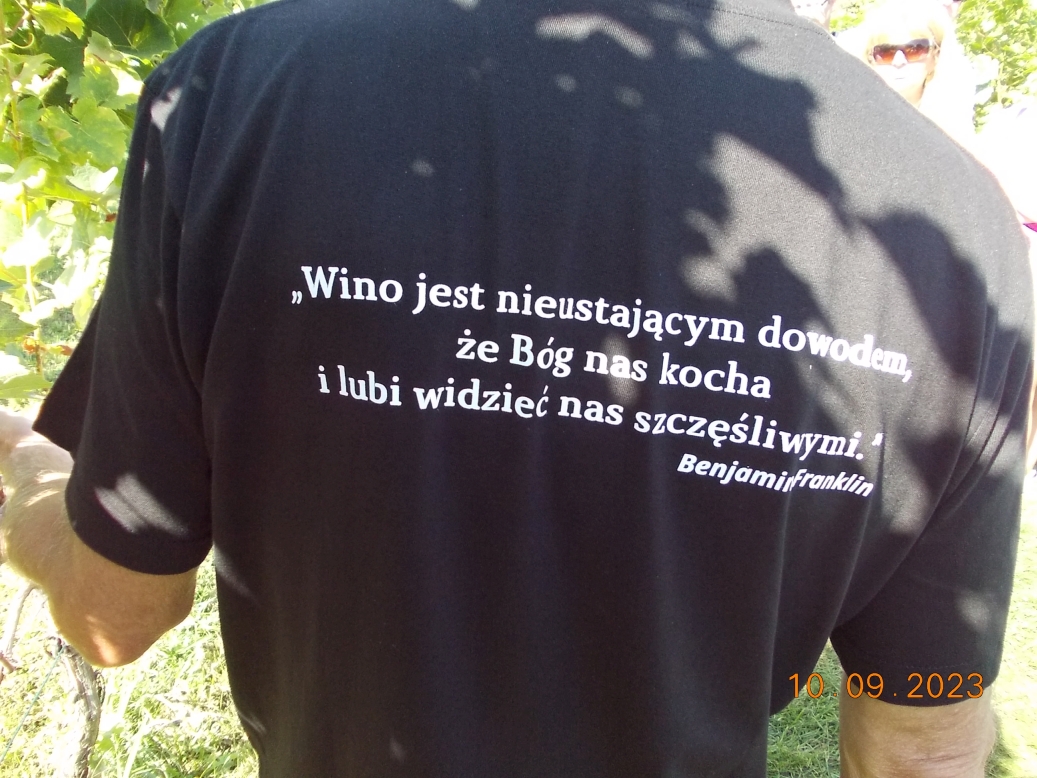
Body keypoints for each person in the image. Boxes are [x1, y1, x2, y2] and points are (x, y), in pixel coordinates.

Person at [0, 0, 1031, 775]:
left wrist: (21, 475)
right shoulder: (948, 222)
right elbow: (920, 736)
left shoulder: (234, 95)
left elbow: (116, 611)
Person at [849, 0, 977, 146]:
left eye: (914, 50)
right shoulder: (855, 121)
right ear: (871, 59)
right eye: (886, 52)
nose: (899, 61)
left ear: (936, 55)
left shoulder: (953, 126)